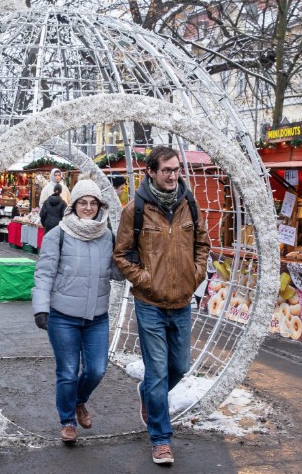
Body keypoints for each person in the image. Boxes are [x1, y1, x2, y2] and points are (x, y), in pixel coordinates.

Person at [113, 146, 210, 465]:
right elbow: (121, 254)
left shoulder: (190, 205)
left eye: (176, 169)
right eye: (166, 170)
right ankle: (160, 438)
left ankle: (148, 396)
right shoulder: (135, 209)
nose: (172, 175)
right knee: (157, 371)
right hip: (150, 303)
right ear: (151, 172)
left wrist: (194, 276)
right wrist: (145, 280)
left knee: (179, 367)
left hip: (182, 301)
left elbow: (202, 244)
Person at [32, 179, 121, 444]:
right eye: (83, 202)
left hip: (97, 317)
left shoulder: (108, 235)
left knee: (96, 369)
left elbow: (116, 273)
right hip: (63, 317)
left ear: (99, 206)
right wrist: (41, 308)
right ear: (74, 205)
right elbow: (44, 273)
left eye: (93, 203)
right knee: (68, 371)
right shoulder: (57, 234)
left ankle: (80, 401)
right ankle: (68, 420)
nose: (88, 207)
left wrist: (130, 259)